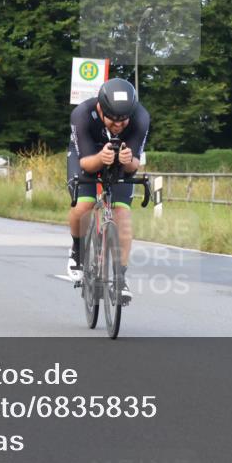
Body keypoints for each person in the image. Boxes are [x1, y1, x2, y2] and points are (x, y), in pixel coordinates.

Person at [67, 78, 150, 304]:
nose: (118, 125)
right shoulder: (82, 114)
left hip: (120, 158)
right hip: (87, 155)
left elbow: (134, 165)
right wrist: (101, 159)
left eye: (123, 120)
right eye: (112, 119)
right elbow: (85, 164)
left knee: (122, 215)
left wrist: (127, 161)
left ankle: (120, 279)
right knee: (84, 205)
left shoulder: (140, 118)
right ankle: (77, 250)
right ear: (100, 108)